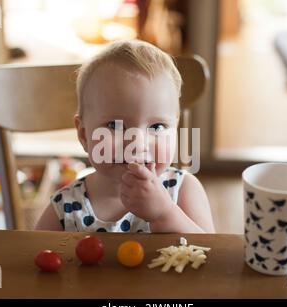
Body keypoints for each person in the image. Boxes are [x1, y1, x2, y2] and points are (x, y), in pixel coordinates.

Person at [36, 40, 214, 233]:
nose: (137, 144)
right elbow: (33, 258)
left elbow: (211, 256)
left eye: (157, 126)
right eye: (115, 125)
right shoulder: (66, 208)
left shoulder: (182, 191)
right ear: (84, 134)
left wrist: (165, 213)